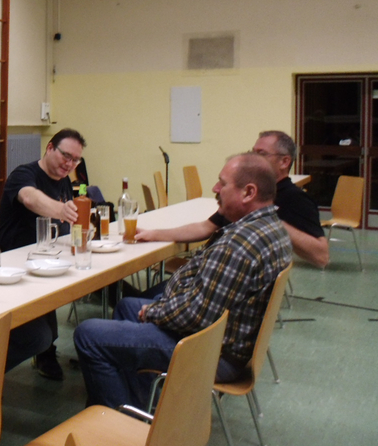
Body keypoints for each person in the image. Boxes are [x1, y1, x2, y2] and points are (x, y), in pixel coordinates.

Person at [73, 153, 292, 410]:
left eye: (222, 183)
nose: (215, 188)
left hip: (211, 352)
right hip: (225, 340)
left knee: (87, 334)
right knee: (126, 306)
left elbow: (196, 316)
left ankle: (123, 423)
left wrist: (154, 311)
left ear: (249, 192)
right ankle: (141, 406)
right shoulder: (270, 227)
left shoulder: (239, 245)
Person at [136, 130, 329, 268]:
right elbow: (205, 227)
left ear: (284, 161)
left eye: (261, 154)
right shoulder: (243, 195)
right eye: (253, 152)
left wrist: (269, 220)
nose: (253, 158)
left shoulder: (295, 199)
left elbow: (321, 256)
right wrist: (154, 234)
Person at [0, 128, 86, 380]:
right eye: (65, 156)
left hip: (50, 258)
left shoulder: (65, 180)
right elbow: (30, 198)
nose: (69, 164)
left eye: (75, 160)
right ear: (49, 148)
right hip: (18, 264)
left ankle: (51, 351)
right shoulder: (24, 174)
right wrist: (61, 210)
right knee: (38, 336)